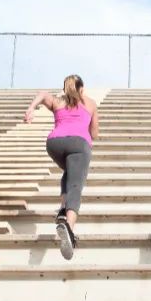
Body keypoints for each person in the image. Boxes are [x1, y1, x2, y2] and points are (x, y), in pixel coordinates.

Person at [25, 75, 99, 260]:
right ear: (82, 89)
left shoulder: (59, 100)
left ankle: (62, 208)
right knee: (76, 184)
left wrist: (31, 109)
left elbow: (42, 94)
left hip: (54, 144)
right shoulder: (90, 103)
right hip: (78, 144)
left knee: (69, 171)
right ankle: (69, 227)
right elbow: (94, 134)